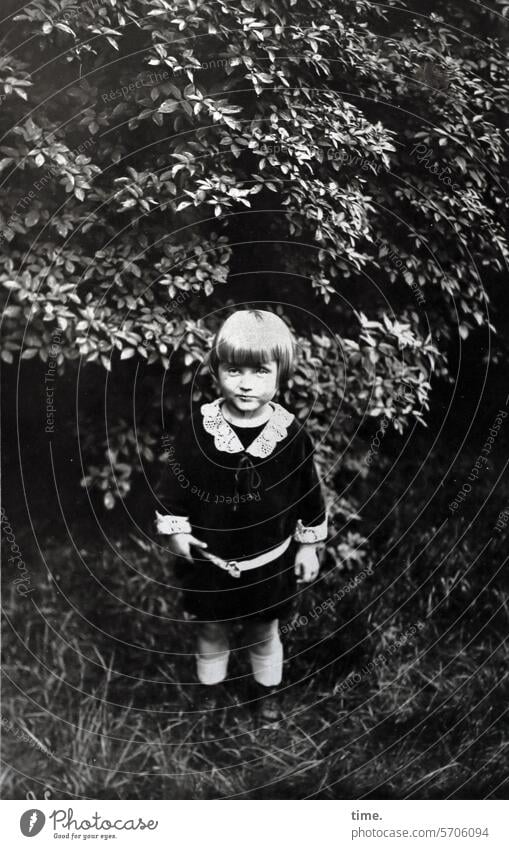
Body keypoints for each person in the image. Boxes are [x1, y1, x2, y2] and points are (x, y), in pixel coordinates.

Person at [155, 309, 327, 719]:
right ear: (216, 372)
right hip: (211, 561)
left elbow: (311, 497)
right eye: (234, 370)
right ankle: (209, 697)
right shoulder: (198, 429)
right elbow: (173, 489)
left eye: (260, 372)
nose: (246, 383)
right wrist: (176, 532)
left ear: (280, 375)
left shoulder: (289, 436)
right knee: (210, 629)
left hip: (269, 562)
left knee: (264, 631)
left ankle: (265, 694)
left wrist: (309, 548)